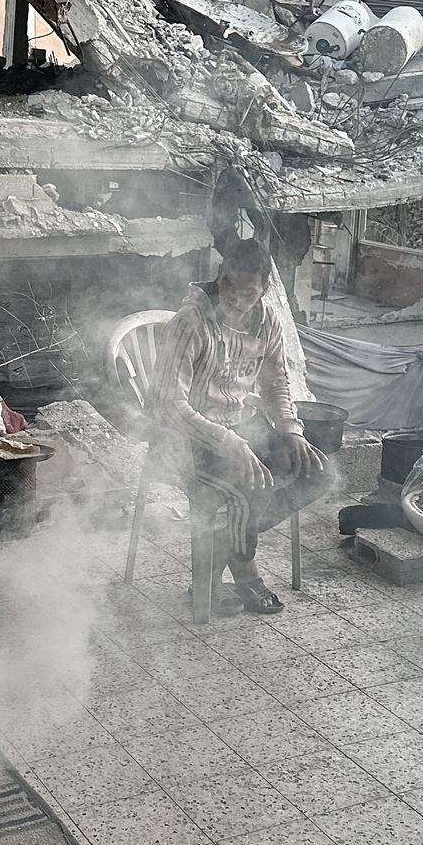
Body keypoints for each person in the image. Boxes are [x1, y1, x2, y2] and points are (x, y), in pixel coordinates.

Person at [151, 235, 330, 614]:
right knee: (253, 489)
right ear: (220, 276)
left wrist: (290, 430)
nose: (235, 298)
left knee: (317, 473)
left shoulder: (267, 323)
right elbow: (167, 406)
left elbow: (276, 383)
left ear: (264, 288)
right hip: (188, 440)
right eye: (229, 286)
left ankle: (220, 549)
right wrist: (228, 443)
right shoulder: (190, 324)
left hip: (244, 428)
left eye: (248, 292)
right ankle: (245, 571)